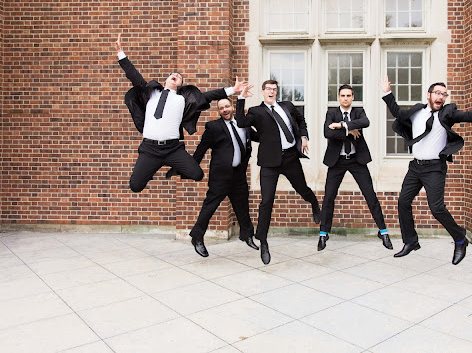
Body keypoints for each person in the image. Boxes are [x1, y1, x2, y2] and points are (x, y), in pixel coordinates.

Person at [380, 75, 472, 265]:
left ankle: (460, 238)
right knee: (403, 201)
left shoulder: (447, 113)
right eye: (438, 93)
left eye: (444, 94)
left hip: (434, 168)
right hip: (415, 167)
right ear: (429, 95)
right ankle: (411, 241)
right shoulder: (417, 111)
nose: (441, 97)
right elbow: (397, 113)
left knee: (436, 208)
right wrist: (387, 92)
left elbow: (468, 116)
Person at [115, 34, 246, 191]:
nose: (176, 76)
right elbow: (133, 76)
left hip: (172, 149)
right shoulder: (151, 94)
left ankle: (175, 166)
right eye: (173, 74)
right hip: (149, 149)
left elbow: (207, 96)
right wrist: (121, 54)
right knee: (135, 186)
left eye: (179, 77)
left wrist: (233, 90)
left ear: (181, 84)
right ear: (167, 80)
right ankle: (152, 166)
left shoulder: (183, 99)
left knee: (197, 174)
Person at [236, 80, 321, 265]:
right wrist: (241, 97)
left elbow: (301, 120)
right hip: (269, 163)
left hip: (290, 157)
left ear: (277, 92)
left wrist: (304, 137)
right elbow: (241, 122)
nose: (271, 92)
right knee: (266, 201)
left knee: (302, 188)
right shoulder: (256, 112)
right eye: (268, 89)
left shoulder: (287, 106)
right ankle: (263, 241)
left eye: (274, 89)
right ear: (263, 91)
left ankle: (314, 203)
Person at [318, 85, 392, 251]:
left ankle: (383, 231)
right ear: (338, 97)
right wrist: (349, 131)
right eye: (343, 95)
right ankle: (323, 233)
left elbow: (365, 122)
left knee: (370, 195)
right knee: (329, 197)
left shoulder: (359, 111)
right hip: (336, 162)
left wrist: (342, 125)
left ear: (353, 97)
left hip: (356, 160)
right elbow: (327, 133)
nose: (345, 98)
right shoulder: (331, 113)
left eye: (349, 95)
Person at [189, 98, 259, 257]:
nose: (225, 110)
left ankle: (247, 235)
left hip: (239, 175)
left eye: (227, 106)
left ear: (232, 107)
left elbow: (259, 137)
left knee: (242, 207)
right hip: (220, 176)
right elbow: (201, 149)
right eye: (221, 108)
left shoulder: (244, 125)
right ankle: (197, 236)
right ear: (219, 111)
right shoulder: (213, 127)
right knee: (210, 207)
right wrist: (190, 168)